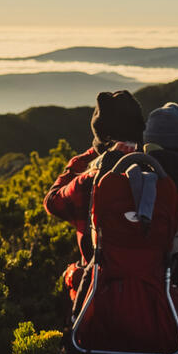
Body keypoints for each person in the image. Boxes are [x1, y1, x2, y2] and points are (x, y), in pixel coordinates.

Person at [44, 90, 146, 263]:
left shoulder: (85, 173)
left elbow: (52, 202)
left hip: (100, 273)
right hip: (152, 274)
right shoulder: (155, 169)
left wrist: (88, 166)